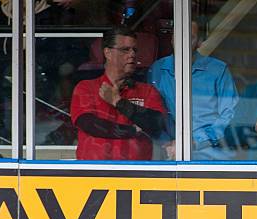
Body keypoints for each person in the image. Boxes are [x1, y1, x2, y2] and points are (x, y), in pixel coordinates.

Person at [148, 19, 239, 160]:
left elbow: (230, 114)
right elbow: (150, 113)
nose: (182, 41)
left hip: (209, 153)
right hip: (166, 152)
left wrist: (197, 141)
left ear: (200, 42)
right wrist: (167, 142)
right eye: (178, 36)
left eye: (190, 37)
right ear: (172, 39)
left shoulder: (218, 70)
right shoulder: (157, 69)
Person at [70, 26, 165, 160]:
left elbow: (157, 125)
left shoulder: (147, 91)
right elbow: (89, 124)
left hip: (137, 174)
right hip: (94, 174)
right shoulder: (86, 88)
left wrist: (118, 102)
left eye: (134, 50)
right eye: (125, 49)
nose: (132, 54)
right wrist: (133, 130)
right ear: (107, 53)